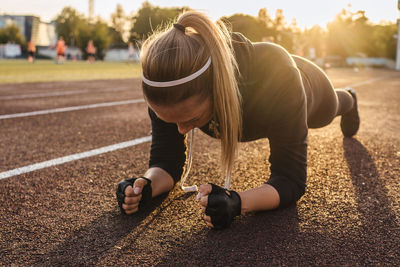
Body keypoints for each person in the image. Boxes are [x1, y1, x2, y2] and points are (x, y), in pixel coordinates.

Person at [115, 11, 360, 230]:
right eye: (168, 119)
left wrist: (237, 202)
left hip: (310, 88)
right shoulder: (170, 89)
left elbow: (290, 181)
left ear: (217, 89)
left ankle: (350, 99)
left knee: (331, 110)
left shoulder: (277, 75)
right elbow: (166, 161)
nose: (179, 130)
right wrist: (145, 186)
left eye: (191, 119)